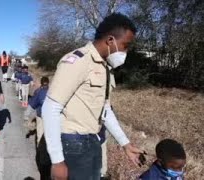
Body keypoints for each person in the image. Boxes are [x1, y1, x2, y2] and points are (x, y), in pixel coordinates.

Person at [41, 13, 144, 180]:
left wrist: (125, 143)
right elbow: (50, 108)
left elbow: (105, 110)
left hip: (93, 141)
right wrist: (57, 161)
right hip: (73, 143)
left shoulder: (105, 67)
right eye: (125, 45)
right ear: (110, 40)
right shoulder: (78, 61)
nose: (126, 51)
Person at [24, 77, 51, 180]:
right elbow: (32, 104)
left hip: (52, 119)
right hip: (41, 118)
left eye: (46, 84)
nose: (45, 86)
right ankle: (42, 158)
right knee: (40, 138)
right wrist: (26, 116)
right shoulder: (39, 92)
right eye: (43, 84)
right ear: (41, 84)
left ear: (48, 84)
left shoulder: (52, 92)